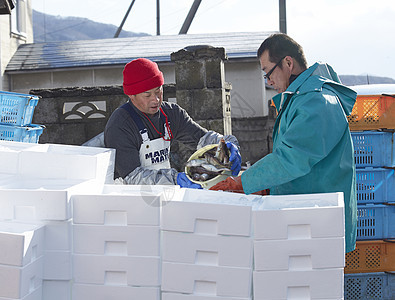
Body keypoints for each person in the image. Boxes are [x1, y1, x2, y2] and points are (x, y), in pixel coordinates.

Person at [210, 33, 357, 253]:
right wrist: (266, 186)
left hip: (320, 223)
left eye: (268, 72)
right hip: (307, 218)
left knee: (316, 285)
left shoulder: (317, 102)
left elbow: (291, 159)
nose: (268, 81)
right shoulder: (302, 98)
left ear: (288, 63)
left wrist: (243, 181)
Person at [104, 57, 241, 188]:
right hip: (129, 198)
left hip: (165, 192)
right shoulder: (120, 125)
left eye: (158, 91)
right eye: (147, 95)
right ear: (131, 96)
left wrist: (228, 144)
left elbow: (203, 139)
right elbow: (133, 177)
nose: (156, 100)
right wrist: (176, 179)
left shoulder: (171, 113)